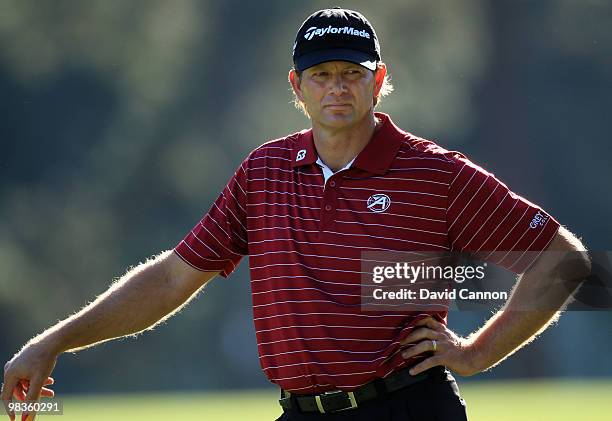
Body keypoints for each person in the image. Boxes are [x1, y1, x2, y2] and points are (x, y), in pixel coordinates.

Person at [2, 7, 590, 421]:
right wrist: (55, 342)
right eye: (323, 75)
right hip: (301, 413)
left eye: (353, 74)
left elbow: (563, 262)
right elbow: (174, 277)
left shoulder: (433, 173)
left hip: (408, 408)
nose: (338, 88)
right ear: (298, 86)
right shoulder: (264, 172)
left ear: (379, 81)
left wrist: (477, 352)